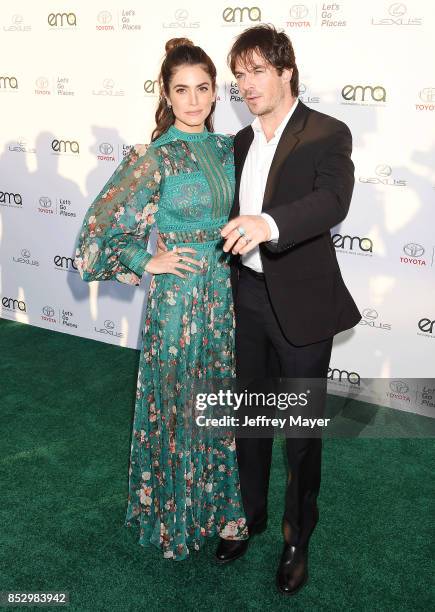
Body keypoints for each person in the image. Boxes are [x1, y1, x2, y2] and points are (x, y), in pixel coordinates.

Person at [74, 37, 248, 561]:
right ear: (166, 95)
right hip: (178, 303)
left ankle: (224, 510)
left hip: (225, 297)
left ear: (216, 92)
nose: (193, 100)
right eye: (182, 90)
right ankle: (175, 511)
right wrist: (145, 260)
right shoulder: (152, 157)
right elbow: (100, 228)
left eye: (202, 88)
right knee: (178, 403)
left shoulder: (230, 148)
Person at [214, 25, 361, 595]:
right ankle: (247, 515)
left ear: (285, 72)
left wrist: (268, 224)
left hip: (300, 305)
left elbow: (333, 200)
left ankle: (298, 534)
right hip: (245, 298)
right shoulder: (241, 142)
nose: (246, 85)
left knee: (300, 433)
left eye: (256, 72)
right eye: (240, 75)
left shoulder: (327, 133)